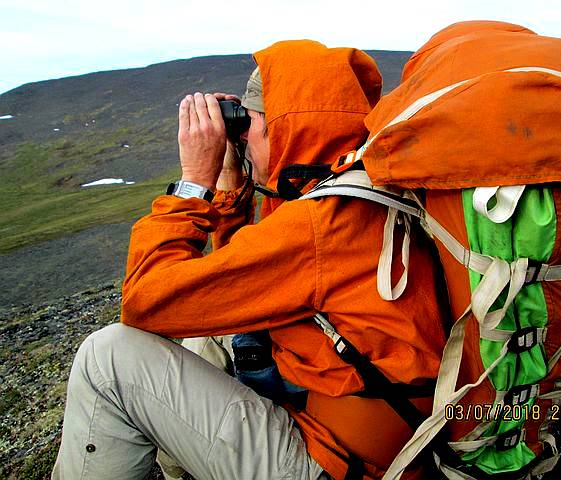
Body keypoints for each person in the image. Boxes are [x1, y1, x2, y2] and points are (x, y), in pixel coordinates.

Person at [52, 40, 449, 480]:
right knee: (207, 337)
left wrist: (193, 184)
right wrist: (228, 178)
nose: (242, 134)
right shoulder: (358, 190)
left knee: (106, 357)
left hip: (336, 465)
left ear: (287, 129)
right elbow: (231, 287)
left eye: (253, 122)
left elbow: (145, 302)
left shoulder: (321, 224)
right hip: (382, 436)